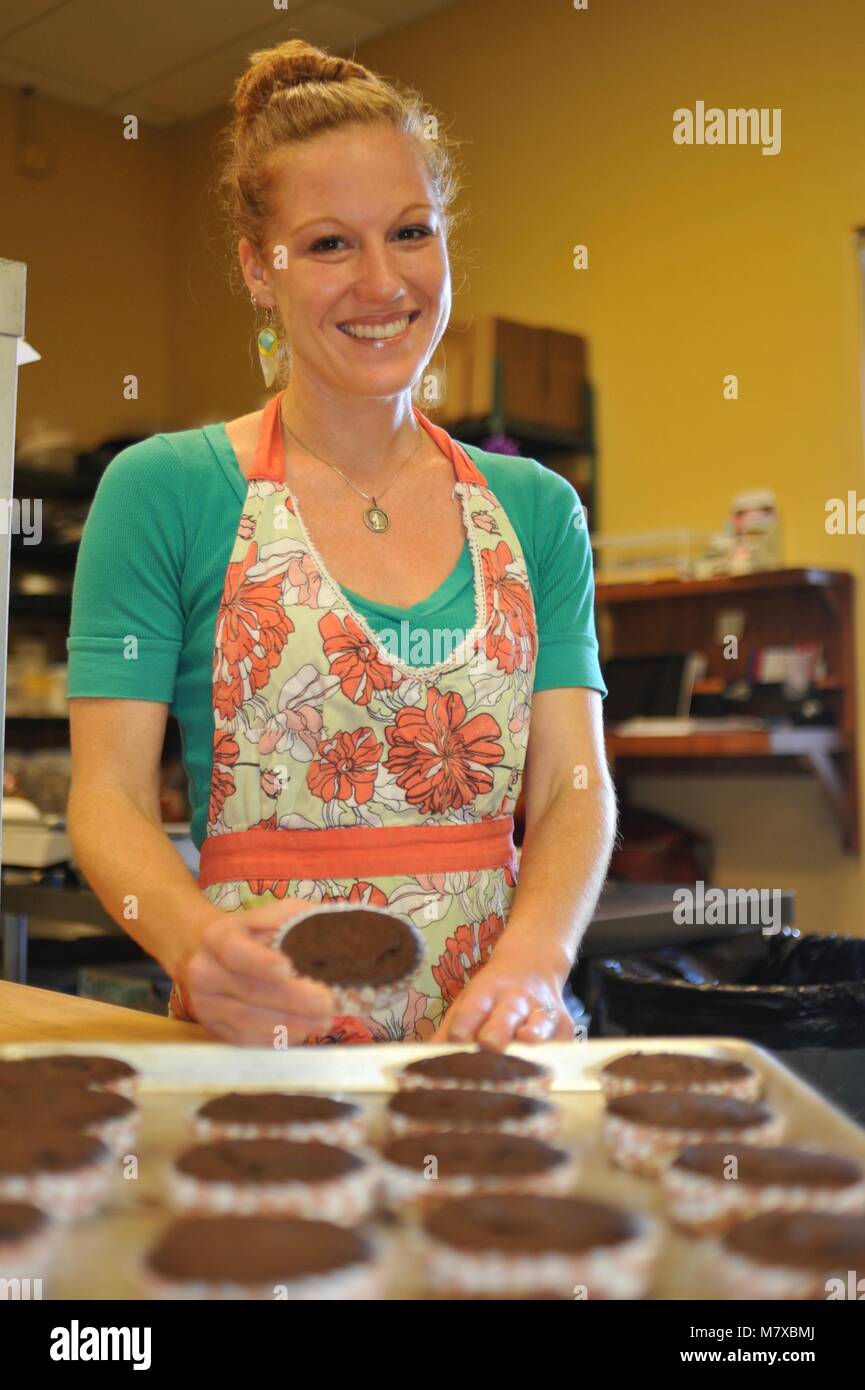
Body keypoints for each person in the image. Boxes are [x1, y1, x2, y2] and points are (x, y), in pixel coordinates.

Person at [66, 38, 615, 1048]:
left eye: (410, 231)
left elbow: (573, 785)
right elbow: (104, 799)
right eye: (327, 245)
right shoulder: (164, 492)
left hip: (488, 1043)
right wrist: (195, 946)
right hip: (259, 1037)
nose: (381, 281)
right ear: (258, 269)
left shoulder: (537, 509)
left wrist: (535, 966)